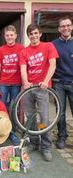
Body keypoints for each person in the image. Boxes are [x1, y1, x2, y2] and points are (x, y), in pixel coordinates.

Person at [20, 24, 59, 162]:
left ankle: (46, 147)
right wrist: (25, 82)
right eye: (31, 34)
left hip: (42, 89)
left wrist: (46, 81)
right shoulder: (24, 51)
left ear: (40, 33)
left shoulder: (48, 46)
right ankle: (34, 142)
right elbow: (23, 68)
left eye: (36, 33)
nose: (34, 36)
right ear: (28, 36)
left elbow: (52, 64)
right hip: (28, 89)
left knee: (44, 119)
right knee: (30, 117)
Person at [52, 16, 73, 149]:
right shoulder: (53, 44)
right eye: (63, 26)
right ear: (59, 29)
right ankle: (62, 137)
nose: (65, 28)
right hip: (58, 83)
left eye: (68, 25)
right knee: (60, 112)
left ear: (71, 27)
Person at [0, 25, 24, 108]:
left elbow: (24, 67)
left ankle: (13, 121)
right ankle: (3, 121)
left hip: (16, 83)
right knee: (2, 105)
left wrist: (24, 83)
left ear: (15, 36)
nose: (9, 37)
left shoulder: (21, 48)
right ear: (4, 36)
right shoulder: (1, 49)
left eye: (11, 35)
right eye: (7, 35)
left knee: (14, 106)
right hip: (3, 82)